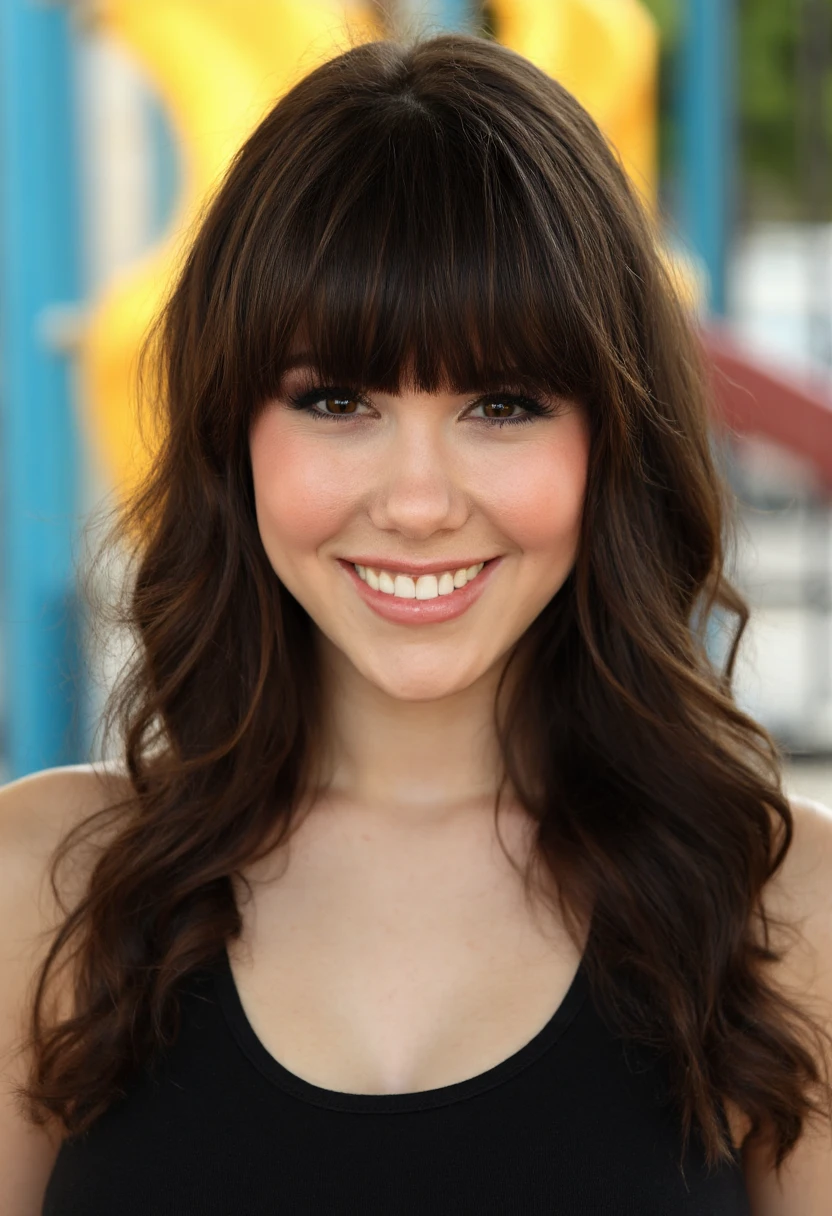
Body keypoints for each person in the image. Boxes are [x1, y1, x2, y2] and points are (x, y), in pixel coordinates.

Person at [1, 30, 831, 1215]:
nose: (420, 502)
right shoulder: (43, 890)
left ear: (609, 441)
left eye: (502, 404)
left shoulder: (786, 909)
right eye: (338, 400)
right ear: (234, 432)